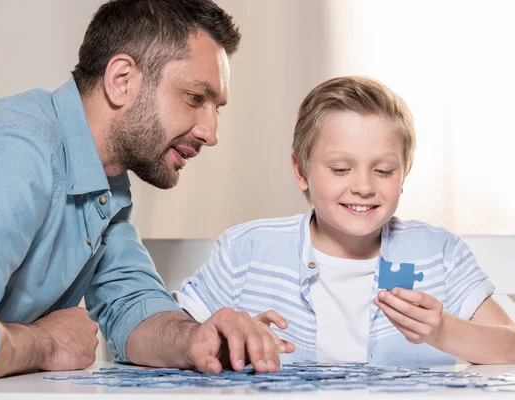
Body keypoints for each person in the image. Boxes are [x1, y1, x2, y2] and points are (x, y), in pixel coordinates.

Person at [0, 0, 290, 384]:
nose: (211, 134)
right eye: (195, 98)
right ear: (122, 79)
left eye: (216, 109)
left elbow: (131, 307)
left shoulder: (105, 178)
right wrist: (45, 344)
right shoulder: (17, 153)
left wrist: (197, 338)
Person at [174, 76, 515, 366]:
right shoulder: (245, 252)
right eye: (340, 169)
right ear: (301, 170)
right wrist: (230, 341)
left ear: (404, 173)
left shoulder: (440, 255)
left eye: (383, 171)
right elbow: (175, 338)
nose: (364, 187)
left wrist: (444, 331)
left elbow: (511, 345)